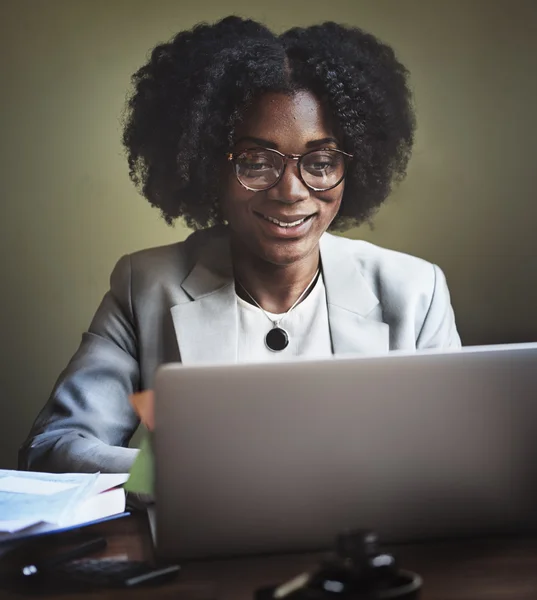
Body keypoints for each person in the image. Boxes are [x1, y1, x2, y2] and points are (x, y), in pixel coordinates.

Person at [19, 16, 461, 474]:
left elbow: (457, 453)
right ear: (210, 165)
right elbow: (54, 448)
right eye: (256, 161)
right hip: (206, 542)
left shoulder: (415, 292)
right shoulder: (145, 287)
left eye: (321, 161)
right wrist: (186, 476)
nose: (291, 191)